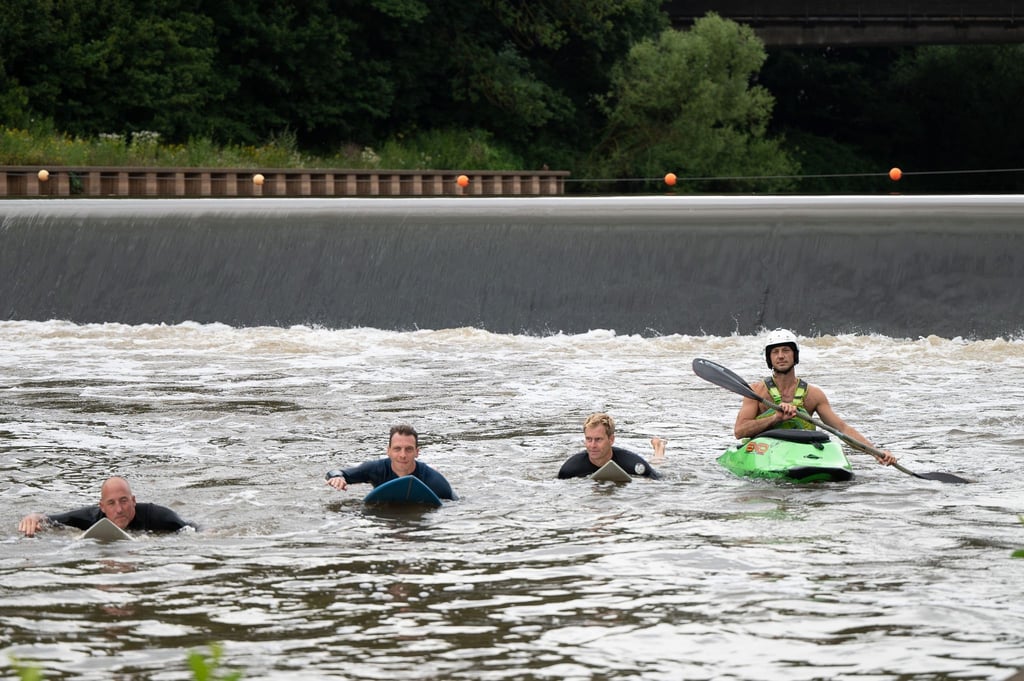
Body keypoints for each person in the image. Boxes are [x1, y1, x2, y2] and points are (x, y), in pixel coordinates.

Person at [733, 329, 897, 466]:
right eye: (775, 352)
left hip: (799, 453)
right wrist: (775, 418)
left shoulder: (813, 394)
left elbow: (842, 429)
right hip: (765, 453)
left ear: (795, 355)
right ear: (769, 358)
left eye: (786, 350)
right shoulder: (755, 391)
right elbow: (740, 431)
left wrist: (875, 452)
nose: (781, 356)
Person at [18, 476, 195, 537]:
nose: (119, 509)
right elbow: (49, 519)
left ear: (133, 500)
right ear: (102, 507)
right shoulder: (91, 517)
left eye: (124, 501)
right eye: (111, 503)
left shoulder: (157, 516)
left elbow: (192, 529)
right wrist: (33, 517)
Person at [325, 424, 456, 500]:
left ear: (417, 452)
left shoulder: (433, 480)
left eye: (409, 449)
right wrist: (337, 477)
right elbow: (337, 472)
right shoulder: (376, 469)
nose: (403, 455)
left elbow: (453, 505)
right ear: (388, 451)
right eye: (397, 449)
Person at [558, 412, 663, 479]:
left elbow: (658, 485)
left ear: (611, 439)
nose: (592, 445)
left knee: (657, 462)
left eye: (598, 439)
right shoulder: (570, 469)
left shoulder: (633, 464)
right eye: (588, 439)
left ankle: (659, 447)